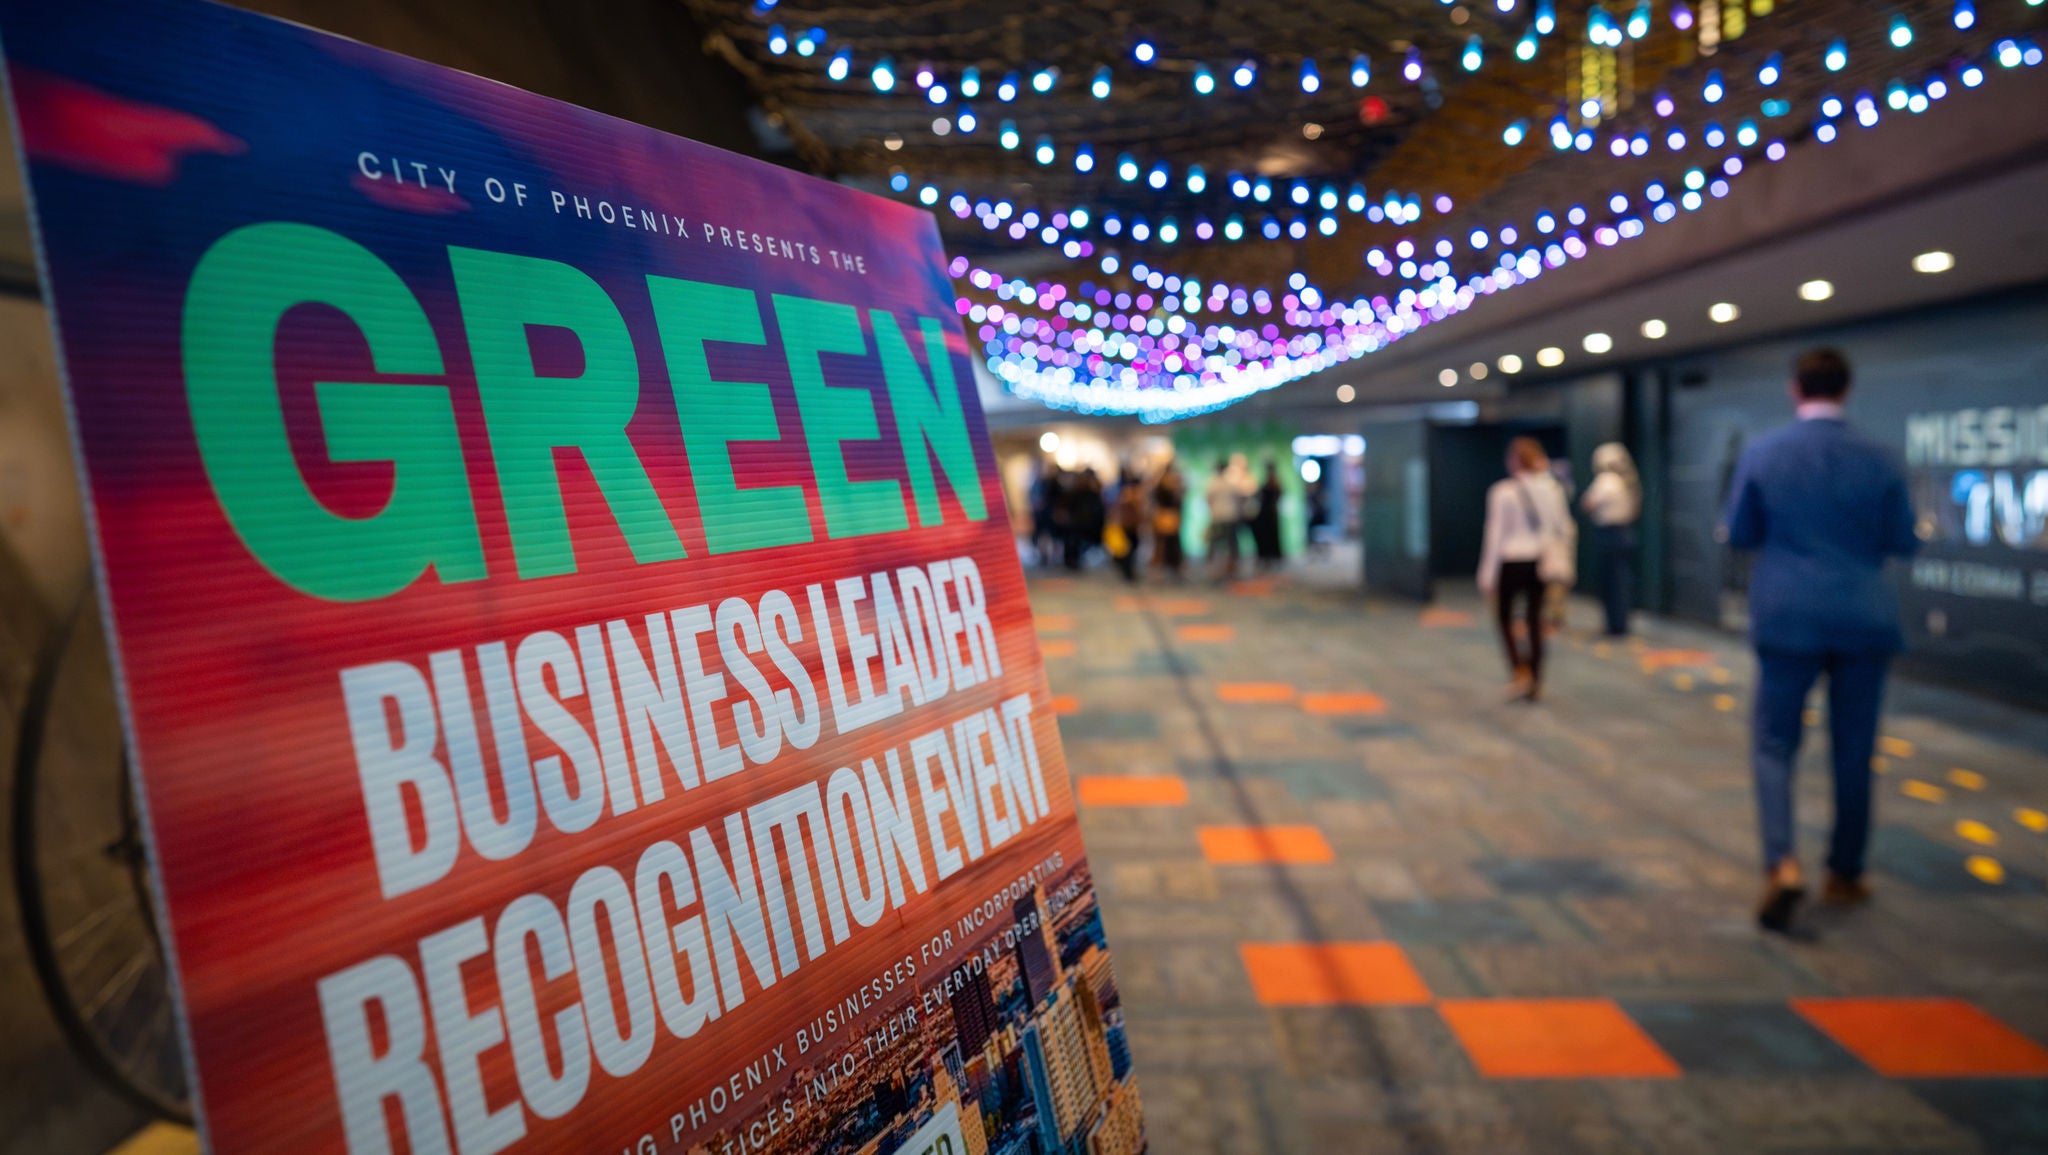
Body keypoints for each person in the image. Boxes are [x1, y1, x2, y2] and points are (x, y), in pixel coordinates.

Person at [1722, 348, 1919, 934]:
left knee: (1775, 743)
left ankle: (1782, 862)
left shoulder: (1764, 453)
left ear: (1794, 389)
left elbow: (1739, 532)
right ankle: (1845, 869)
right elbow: (1904, 541)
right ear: (1847, 388)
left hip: (1787, 614)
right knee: (1854, 748)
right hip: (1864, 614)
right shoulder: (1880, 458)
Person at [1478, 437, 1575, 702]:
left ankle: (1519, 670)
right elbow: (1563, 529)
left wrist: (1487, 573)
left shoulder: (1502, 492)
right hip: (1538, 561)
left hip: (1511, 561)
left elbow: (1495, 535)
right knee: (1535, 620)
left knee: (1504, 618)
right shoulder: (1552, 490)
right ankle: (1535, 675)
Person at [1581, 442, 1643, 637]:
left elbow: (1588, 503)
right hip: (1624, 534)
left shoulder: (1607, 480)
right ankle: (1620, 622)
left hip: (1610, 535)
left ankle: (1615, 625)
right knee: (1621, 581)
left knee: (1612, 583)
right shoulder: (1627, 482)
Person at [1206, 455, 1252, 581]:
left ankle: (1217, 568)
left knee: (1217, 544)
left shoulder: (1213, 483)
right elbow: (1242, 498)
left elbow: (1208, 499)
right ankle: (1230, 568)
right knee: (1230, 545)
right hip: (1229, 517)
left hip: (1219, 517)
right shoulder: (1229, 483)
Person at [1109, 471, 1147, 583]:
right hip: (1128, 526)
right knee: (1128, 550)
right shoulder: (1130, 496)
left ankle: (1129, 572)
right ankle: (1128, 572)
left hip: (1130, 526)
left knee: (1130, 549)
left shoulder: (1127, 495)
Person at [1150, 466, 1186, 580]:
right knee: (1163, 544)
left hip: (1168, 517)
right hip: (1165, 517)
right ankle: (1159, 569)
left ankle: (1171, 568)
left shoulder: (1170, 487)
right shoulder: (1164, 487)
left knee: (1171, 544)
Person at [1250, 461, 1285, 571]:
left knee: (1271, 538)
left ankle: (1271, 558)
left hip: (1269, 515)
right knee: (1267, 538)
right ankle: (1267, 558)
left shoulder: (1274, 483)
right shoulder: (1272, 483)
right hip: (1267, 514)